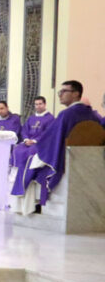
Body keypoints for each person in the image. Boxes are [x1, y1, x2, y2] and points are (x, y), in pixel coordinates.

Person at [11, 80, 101, 213]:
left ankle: (28, 206)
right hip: (86, 160)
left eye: (64, 91)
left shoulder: (66, 114)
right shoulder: (92, 114)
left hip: (62, 159)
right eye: (60, 91)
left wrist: (38, 145)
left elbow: (50, 140)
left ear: (76, 94)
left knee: (28, 163)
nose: (60, 94)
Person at [10, 96, 54, 170]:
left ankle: (29, 173)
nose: (38, 106)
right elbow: (24, 130)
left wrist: (34, 141)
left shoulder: (50, 118)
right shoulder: (31, 118)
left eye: (40, 104)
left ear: (45, 104)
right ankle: (18, 172)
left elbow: (48, 133)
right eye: (36, 104)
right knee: (17, 150)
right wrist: (26, 139)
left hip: (41, 143)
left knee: (31, 151)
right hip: (28, 142)